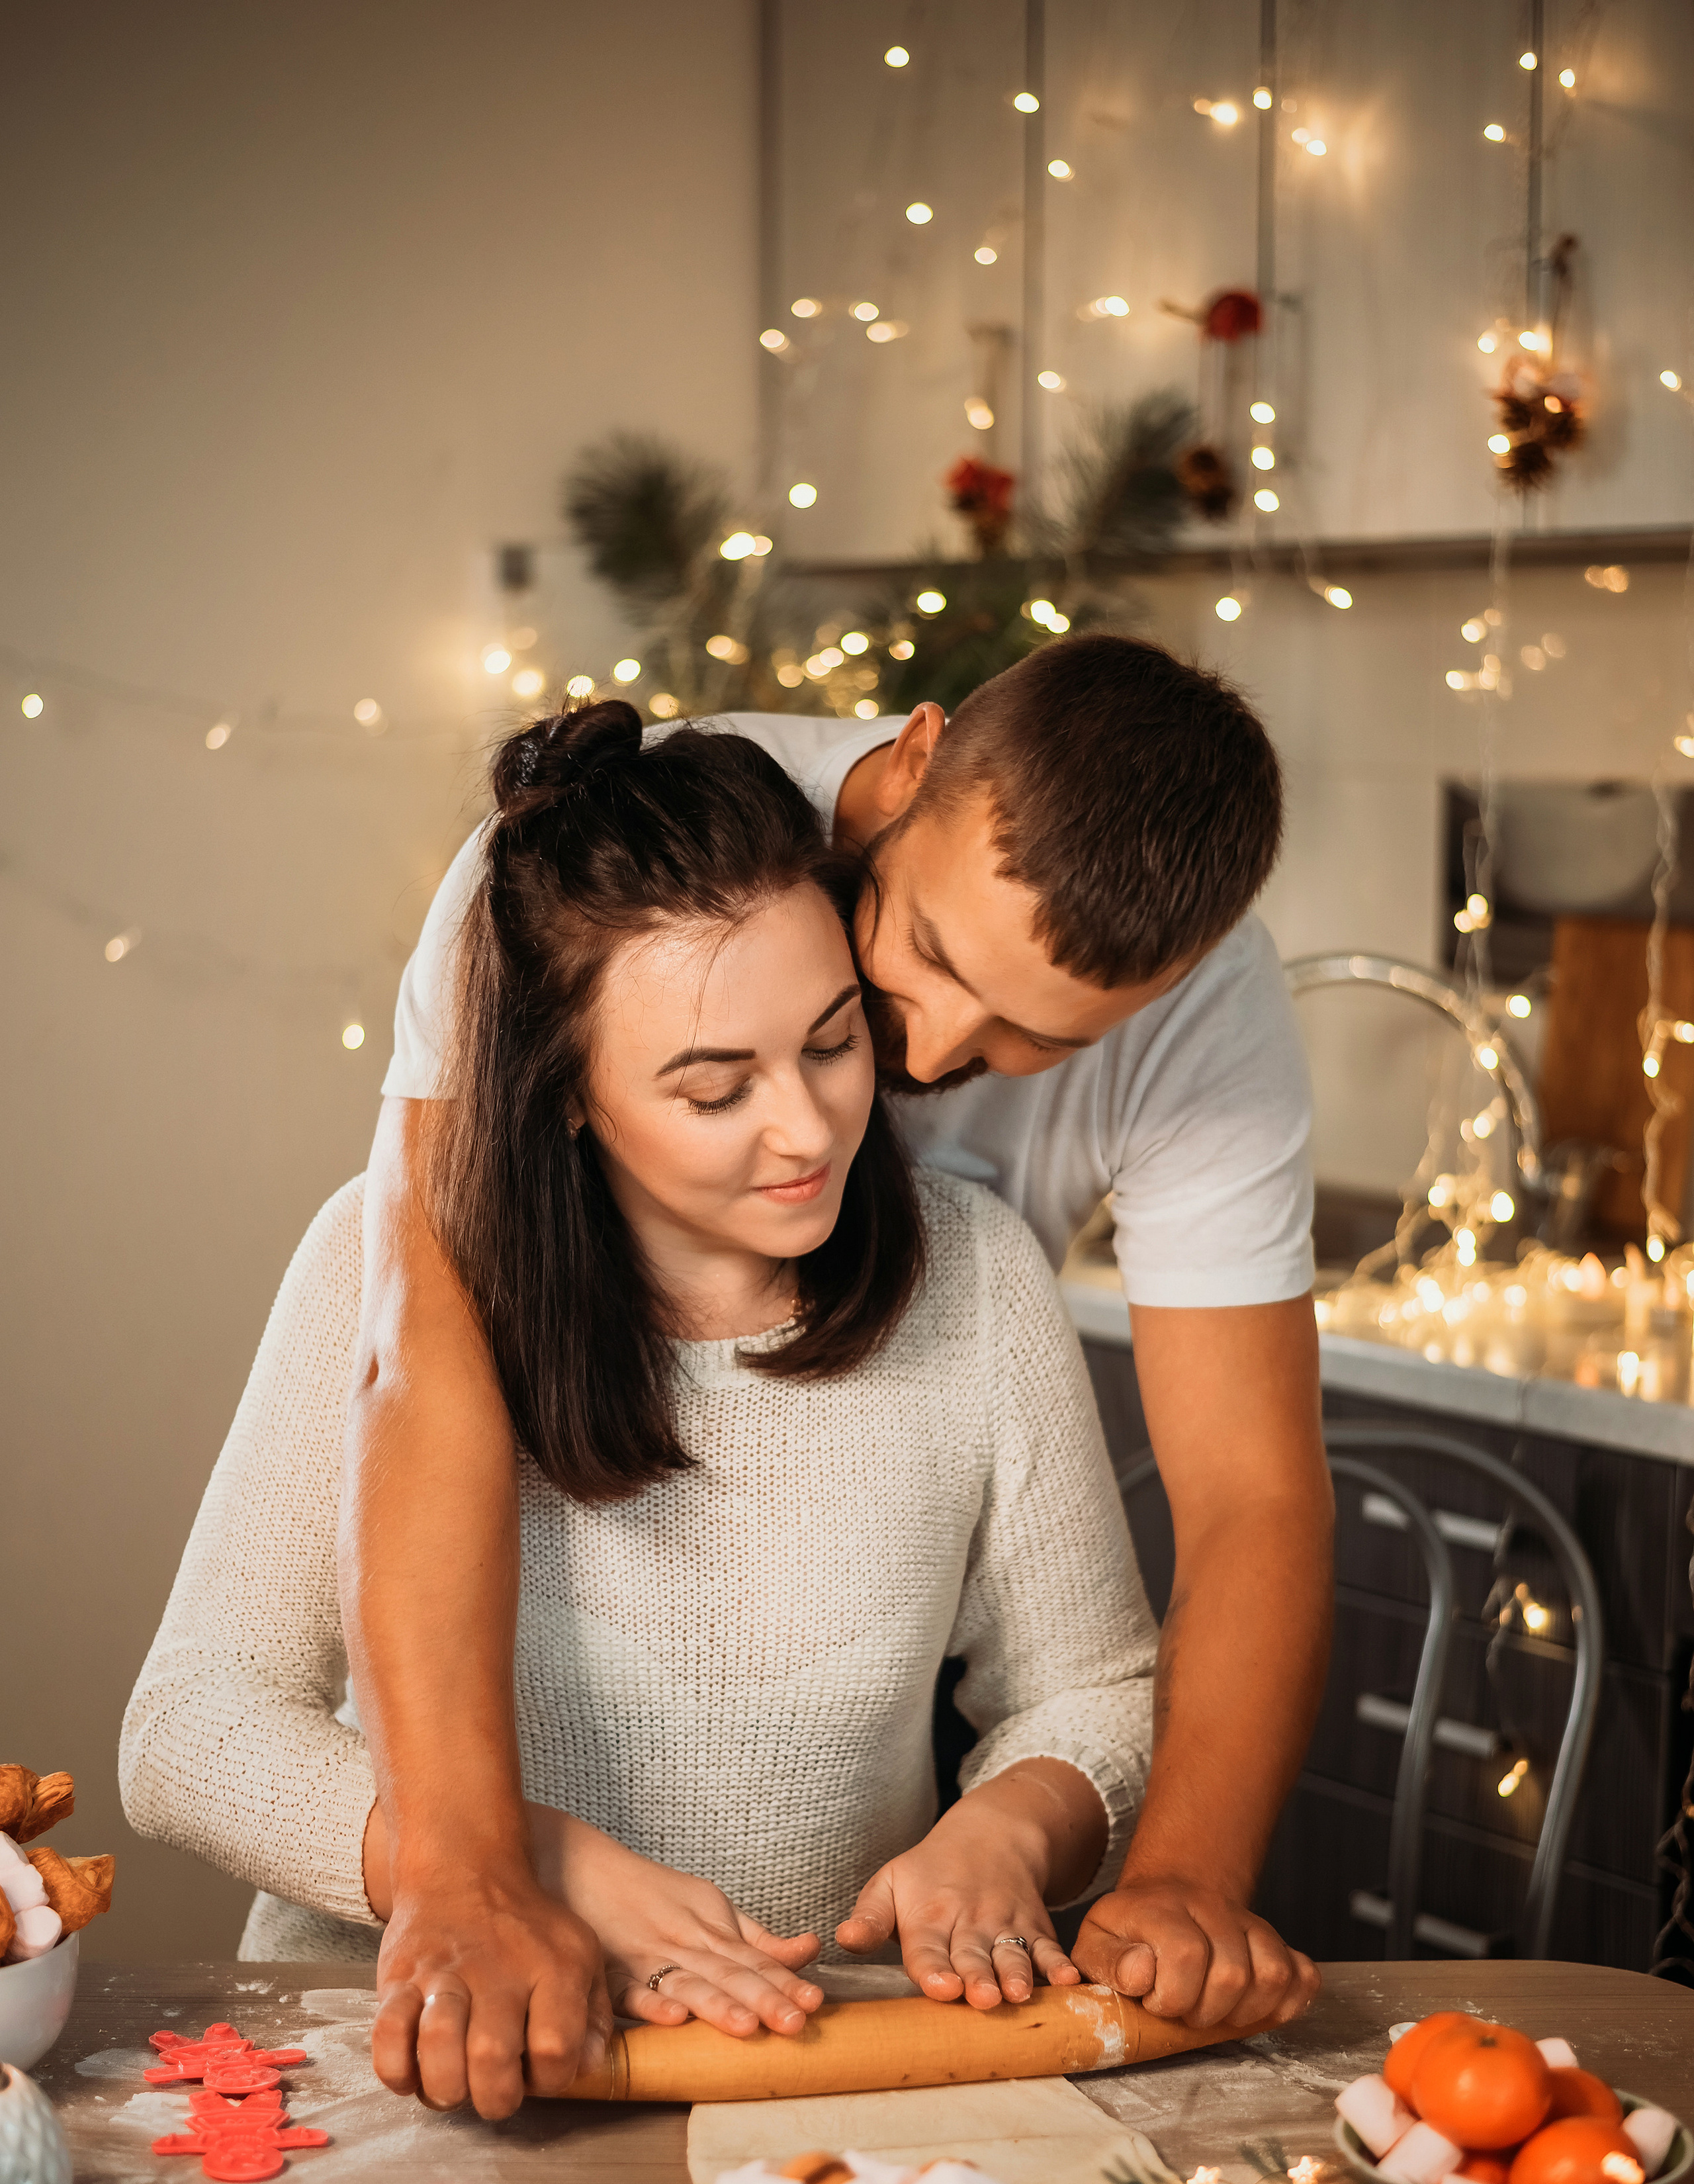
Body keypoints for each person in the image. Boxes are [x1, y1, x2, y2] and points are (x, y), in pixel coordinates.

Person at [124, 704, 1252, 2111]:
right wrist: (531, 1868)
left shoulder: (978, 1284)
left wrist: (1013, 1827)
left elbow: (1098, 1691)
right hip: (414, 2089)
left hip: (809, 2091)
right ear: (572, 1097)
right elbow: (188, 1731)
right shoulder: (379, 1257)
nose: (807, 1127)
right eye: (714, 1088)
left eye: (836, 1044)